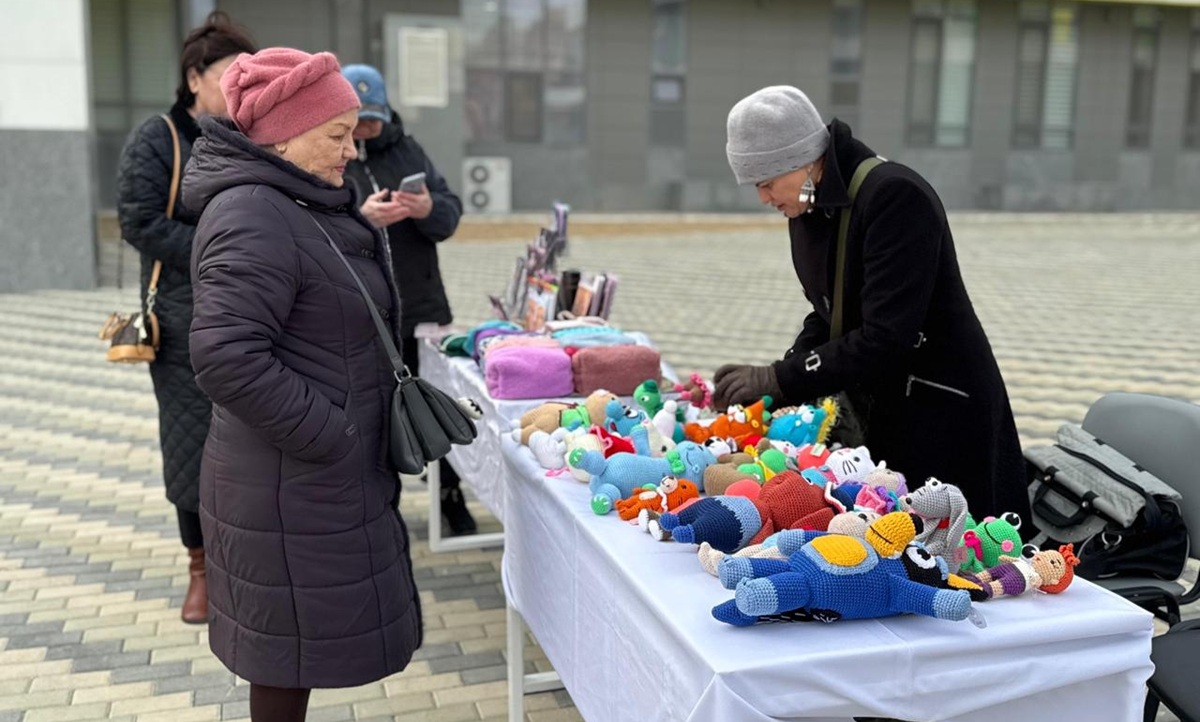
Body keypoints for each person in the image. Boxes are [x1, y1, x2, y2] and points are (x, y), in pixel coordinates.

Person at [185, 48, 422, 721]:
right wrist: (331, 433)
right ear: (284, 135)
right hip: (290, 478)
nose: (351, 150)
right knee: (283, 658)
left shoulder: (294, 201)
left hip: (304, 477)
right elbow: (225, 355)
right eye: (337, 134)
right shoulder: (254, 213)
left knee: (291, 652)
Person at [713, 85, 1030, 522]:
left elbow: (886, 336)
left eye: (767, 183)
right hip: (884, 406)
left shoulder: (895, 197)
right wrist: (776, 380)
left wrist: (780, 378)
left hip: (939, 412)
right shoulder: (809, 206)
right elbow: (828, 313)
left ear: (801, 161)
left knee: (955, 547)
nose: (763, 198)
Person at [114, 11, 256, 624]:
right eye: (229, 74)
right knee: (191, 445)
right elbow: (139, 221)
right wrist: (218, 251)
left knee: (253, 444)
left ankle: (246, 563)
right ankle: (200, 568)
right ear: (195, 78)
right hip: (182, 318)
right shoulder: (160, 138)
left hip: (255, 316)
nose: (240, 87)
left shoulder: (255, 136)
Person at [340, 63, 476, 535]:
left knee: (432, 405)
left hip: (420, 305)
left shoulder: (407, 148)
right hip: (360, 311)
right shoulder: (330, 153)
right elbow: (316, 232)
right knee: (370, 412)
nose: (365, 129)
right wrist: (361, 221)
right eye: (357, 119)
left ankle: (448, 495)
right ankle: (378, 506)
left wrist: (428, 208)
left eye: (373, 119)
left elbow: (450, 212)